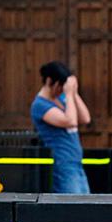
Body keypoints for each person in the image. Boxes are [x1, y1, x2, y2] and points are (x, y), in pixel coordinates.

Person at [30, 61, 92, 193]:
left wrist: (74, 94)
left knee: (86, 205)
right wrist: (69, 95)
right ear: (49, 81)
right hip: (61, 163)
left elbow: (85, 118)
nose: (61, 90)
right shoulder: (40, 105)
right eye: (60, 86)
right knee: (72, 206)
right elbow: (70, 121)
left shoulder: (63, 98)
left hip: (75, 161)